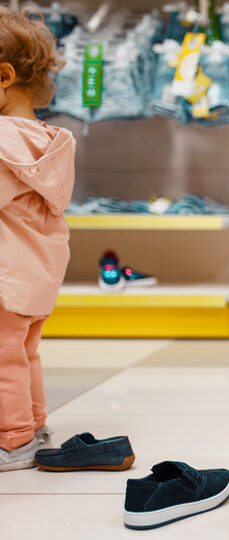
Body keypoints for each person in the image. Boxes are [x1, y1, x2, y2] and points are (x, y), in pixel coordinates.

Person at [0, 7, 75, 471]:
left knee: (3, 361)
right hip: (37, 278)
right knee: (24, 353)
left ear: (3, 76)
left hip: (5, 278)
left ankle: (11, 440)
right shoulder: (50, 141)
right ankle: (35, 424)